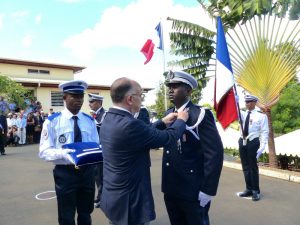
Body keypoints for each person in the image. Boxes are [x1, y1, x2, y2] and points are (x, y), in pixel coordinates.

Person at [100, 77, 189, 225]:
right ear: (130, 99)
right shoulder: (130, 124)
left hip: (114, 196)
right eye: (140, 96)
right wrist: (181, 120)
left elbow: (141, 136)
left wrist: (162, 122)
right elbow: (167, 137)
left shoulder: (109, 118)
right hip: (130, 201)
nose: (141, 100)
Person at [157, 71, 224, 225]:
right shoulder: (169, 114)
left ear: (188, 91)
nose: (171, 90)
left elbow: (214, 153)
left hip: (192, 189)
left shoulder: (200, 114)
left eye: (176, 86)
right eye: (169, 87)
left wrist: (208, 189)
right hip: (171, 187)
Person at [39, 80, 99, 225]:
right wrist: (64, 154)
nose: (79, 100)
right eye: (74, 96)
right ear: (64, 97)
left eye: (81, 96)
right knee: (66, 216)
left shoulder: (89, 121)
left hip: (87, 173)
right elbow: (44, 152)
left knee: (86, 213)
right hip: (66, 173)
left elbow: (96, 145)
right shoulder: (53, 121)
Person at [238, 95, 269, 201]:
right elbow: (234, 112)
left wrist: (263, 145)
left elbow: (265, 131)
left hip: (253, 141)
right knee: (245, 167)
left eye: (248, 102)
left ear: (254, 102)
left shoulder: (261, 116)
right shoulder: (242, 113)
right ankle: (249, 189)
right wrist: (235, 102)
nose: (246, 104)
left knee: (252, 167)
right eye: (245, 102)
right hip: (242, 140)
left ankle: (256, 190)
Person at [88, 93, 106, 208]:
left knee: (100, 175)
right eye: (89, 102)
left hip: (102, 150)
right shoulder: (94, 115)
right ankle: (101, 196)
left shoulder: (104, 115)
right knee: (96, 175)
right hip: (94, 150)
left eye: (92, 102)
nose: (89, 104)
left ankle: (101, 198)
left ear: (99, 102)